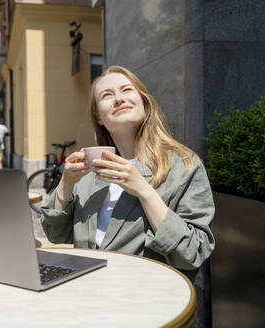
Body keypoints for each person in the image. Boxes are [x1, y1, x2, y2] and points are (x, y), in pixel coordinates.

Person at [41, 66, 215, 312]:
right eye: (107, 95)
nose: (119, 98)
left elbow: (193, 252)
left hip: (145, 306)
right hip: (85, 301)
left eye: (126, 90)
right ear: (99, 117)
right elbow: (55, 233)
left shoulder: (184, 166)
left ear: (144, 102)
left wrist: (144, 191)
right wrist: (66, 183)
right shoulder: (92, 174)